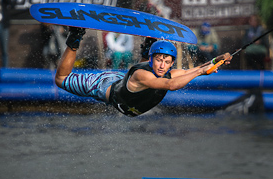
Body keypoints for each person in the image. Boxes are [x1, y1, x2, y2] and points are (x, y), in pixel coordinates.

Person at [54, 27, 232, 117]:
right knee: (61, 80)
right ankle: (74, 39)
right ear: (153, 58)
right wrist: (200, 72)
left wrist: (218, 60)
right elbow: (171, 85)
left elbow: (193, 69)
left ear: (171, 63)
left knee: (148, 75)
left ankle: (148, 45)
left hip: (125, 82)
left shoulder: (167, 72)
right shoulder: (145, 75)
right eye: (159, 60)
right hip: (104, 85)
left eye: (167, 62)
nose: (162, 66)